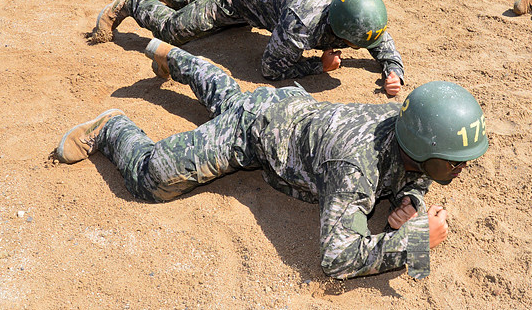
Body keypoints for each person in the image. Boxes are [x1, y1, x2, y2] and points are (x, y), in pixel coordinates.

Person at [54, 43, 489, 279]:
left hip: (289, 110)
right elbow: (336, 260)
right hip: (258, 132)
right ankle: (110, 128)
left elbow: (412, 171)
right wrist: (413, 243)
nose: (462, 167)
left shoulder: (407, 119)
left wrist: (410, 196)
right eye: (454, 161)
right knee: (154, 178)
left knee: (232, 100)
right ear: (419, 147)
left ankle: (179, 59)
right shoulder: (354, 168)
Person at [91, 0, 405, 94]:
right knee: (175, 32)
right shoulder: (303, 22)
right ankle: (132, 2)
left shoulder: (349, 9)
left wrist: (393, 69)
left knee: (222, 23)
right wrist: (318, 67)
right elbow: (271, 67)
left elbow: (375, 34)